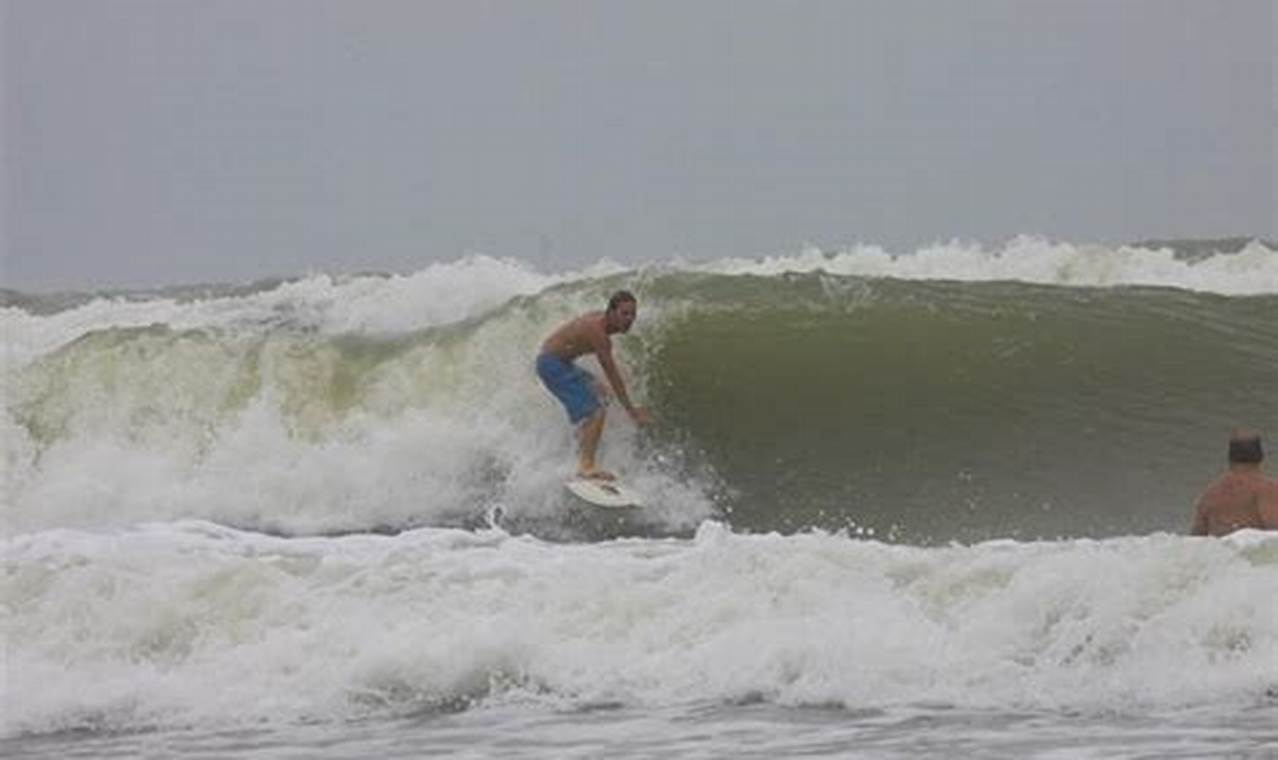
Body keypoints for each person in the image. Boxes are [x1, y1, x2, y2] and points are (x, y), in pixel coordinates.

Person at [535, 290, 653, 480]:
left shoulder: (600, 322)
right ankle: (586, 465)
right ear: (611, 312)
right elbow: (613, 376)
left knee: (603, 393)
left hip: (562, 363)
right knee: (596, 411)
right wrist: (631, 411)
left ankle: (581, 446)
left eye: (633, 314)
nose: (630, 319)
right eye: (624, 313)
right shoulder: (598, 334)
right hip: (552, 366)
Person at [1190, 429, 1278, 536]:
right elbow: (1274, 530)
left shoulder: (1209, 495)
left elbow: (1195, 538)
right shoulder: (1268, 489)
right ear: (1261, 457)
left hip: (1221, 545)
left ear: (1230, 457)